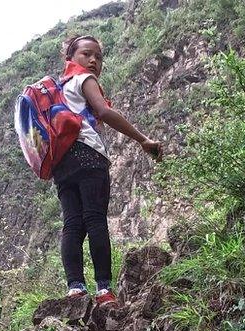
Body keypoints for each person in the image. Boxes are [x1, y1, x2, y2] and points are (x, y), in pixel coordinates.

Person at [52, 35, 162, 307]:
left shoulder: (58, 89)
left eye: (98, 57)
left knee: (72, 224)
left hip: (62, 163)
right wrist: (143, 140)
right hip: (89, 156)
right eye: (86, 54)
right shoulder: (83, 80)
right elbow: (104, 111)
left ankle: (75, 289)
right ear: (71, 58)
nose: (93, 61)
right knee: (95, 219)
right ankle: (104, 291)